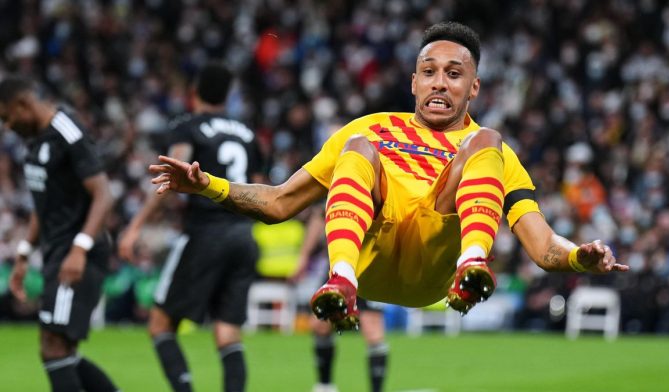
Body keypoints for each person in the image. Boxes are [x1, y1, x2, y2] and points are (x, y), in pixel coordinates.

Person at [148, 21, 629, 331]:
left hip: (436, 267)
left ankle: (472, 265)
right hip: (369, 260)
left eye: (455, 73)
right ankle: (339, 282)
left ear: (474, 86)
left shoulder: (494, 151)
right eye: (430, 70)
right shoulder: (370, 128)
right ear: (414, 81)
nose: (441, 81)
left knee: (488, 142)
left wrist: (582, 259)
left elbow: (543, 247)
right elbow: (278, 203)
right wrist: (206, 184)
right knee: (358, 147)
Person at [118, 62, 263, 392]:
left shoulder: (188, 126)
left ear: (193, 93)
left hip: (205, 233)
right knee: (227, 332)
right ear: (227, 96)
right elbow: (259, 187)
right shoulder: (247, 132)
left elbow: (170, 179)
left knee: (159, 324)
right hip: (242, 236)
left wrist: (135, 226)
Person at [1, 76, 119, 392]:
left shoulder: (67, 132)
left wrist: (79, 249)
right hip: (57, 252)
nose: (7, 126)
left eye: (7, 116)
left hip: (77, 253)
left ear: (23, 104)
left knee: (53, 345)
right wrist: (24, 254)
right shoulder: (36, 140)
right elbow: (45, 204)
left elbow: (104, 194)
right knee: (61, 350)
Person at [292, 205, 388, 392]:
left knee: (373, 329)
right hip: (340, 263)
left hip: (372, 261)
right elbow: (319, 217)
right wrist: (303, 256)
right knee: (320, 325)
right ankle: (325, 385)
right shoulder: (335, 180)